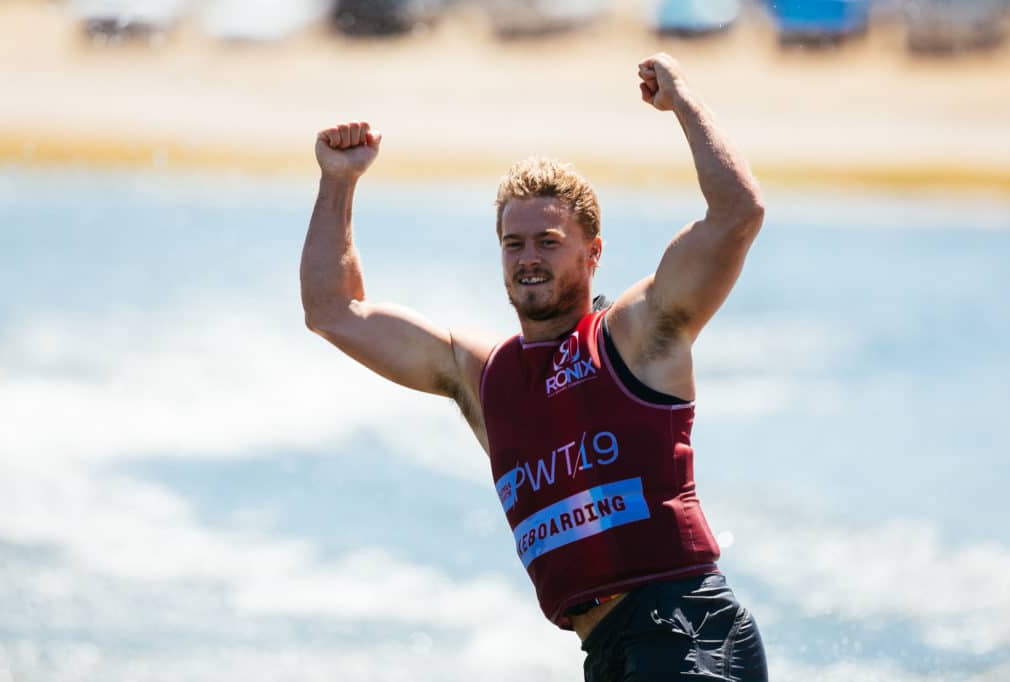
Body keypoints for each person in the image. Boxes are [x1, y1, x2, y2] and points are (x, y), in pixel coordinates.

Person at [300, 52, 768, 682]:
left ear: (592, 253)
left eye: (548, 242)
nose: (528, 259)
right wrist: (338, 180)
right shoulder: (484, 376)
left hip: (684, 631)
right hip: (605, 654)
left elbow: (737, 215)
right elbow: (334, 310)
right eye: (513, 243)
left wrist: (682, 101)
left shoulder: (634, 336)